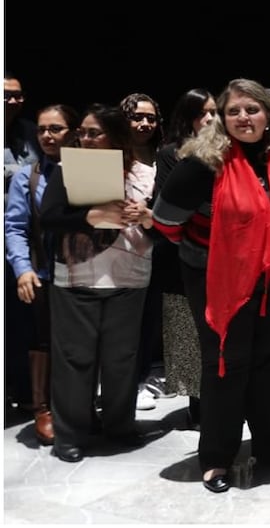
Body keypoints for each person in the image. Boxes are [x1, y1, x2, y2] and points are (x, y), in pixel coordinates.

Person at [152, 78, 270, 493]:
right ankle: (217, 457)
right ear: (221, 118)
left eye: (251, 109)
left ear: (269, 116)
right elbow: (165, 223)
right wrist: (218, 255)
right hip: (217, 281)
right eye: (233, 111)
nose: (243, 118)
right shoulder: (202, 164)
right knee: (227, 362)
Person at [39, 104, 156, 463]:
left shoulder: (146, 175)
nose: (85, 139)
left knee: (122, 359)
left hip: (129, 277)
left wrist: (148, 217)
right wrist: (88, 217)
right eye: (83, 133)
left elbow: (165, 229)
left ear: (116, 136)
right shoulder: (66, 170)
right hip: (77, 278)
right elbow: (48, 219)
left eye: (94, 133)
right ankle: (71, 434)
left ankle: (119, 426)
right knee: (75, 358)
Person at [4, 103, 80, 445]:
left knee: (79, 343)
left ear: (74, 132)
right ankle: (42, 408)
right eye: (42, 130)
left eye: (56, 129)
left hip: (84, 271)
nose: (47, 136)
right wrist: (22, 269)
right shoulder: (28, 174)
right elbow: (15, 227)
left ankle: (77, 406)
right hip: (46, 271)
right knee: (43, 339)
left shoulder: (87, 170)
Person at [154, 88, 218, 427]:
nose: (208, 119)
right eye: (200, 112)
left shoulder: (227, 153)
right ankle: (197, 402)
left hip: (219, 259)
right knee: (188, 332)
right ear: (187, 117)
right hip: (182, 256)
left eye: (213, 112)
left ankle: (218, 402)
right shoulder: (170, 154)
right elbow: (166, 206)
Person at [120, 92, 169, 410]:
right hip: (116, 252)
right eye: (137, 117)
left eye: (151, 117)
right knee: (120, 325)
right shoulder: (112, 156)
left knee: (146, 322)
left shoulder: (163, 157)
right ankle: (114, 385)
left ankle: (138, 382)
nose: (145, 123)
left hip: (155, 251)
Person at [3, 73, 42, 412]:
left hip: (23, 241)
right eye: (6, 95)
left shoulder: (31, 133)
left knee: (21, 319)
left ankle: (27, 392)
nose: (13, 101)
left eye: (18, 95)